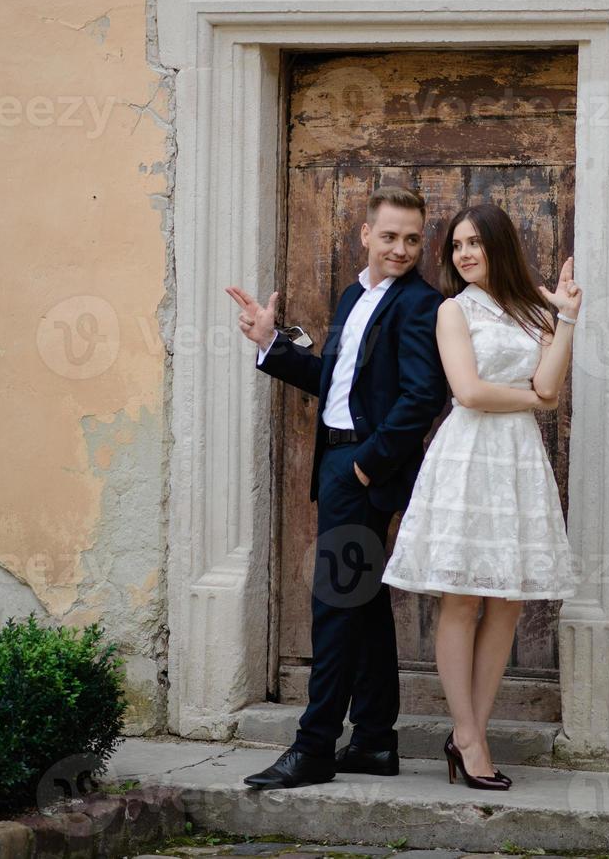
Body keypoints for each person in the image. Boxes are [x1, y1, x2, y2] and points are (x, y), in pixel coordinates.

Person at [226, 185, 447, 790]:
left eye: (411, 238)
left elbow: (424, 396)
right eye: (389, 236)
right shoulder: (355, 295)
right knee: (364, 606)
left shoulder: (420, 304)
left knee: (334, 607)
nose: (400, 248)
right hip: (338, 468)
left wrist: (367, 467)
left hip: (361, 474)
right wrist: (272, 343)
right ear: (365, 235)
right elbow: (336, 378)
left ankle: (314, 747)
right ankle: (374, 740)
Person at [380, 203, 581, 791]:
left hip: (517, 461)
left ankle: (473, 730)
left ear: (499, 247)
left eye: (475, 244)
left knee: (509, 601)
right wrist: (534, 400)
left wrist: (566, 319)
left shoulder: (535, 312)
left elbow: (550, 385)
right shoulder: (451, 311)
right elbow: (467, 392)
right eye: (457, 246)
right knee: (462, 600)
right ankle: (467, 737)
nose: (465, 254)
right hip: (467, 460)